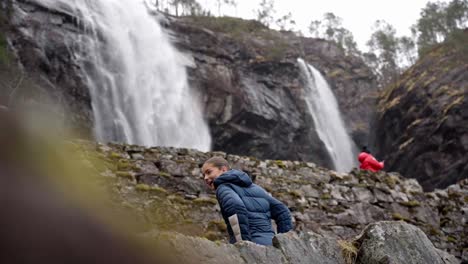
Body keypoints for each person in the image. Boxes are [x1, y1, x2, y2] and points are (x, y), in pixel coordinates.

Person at [202, 156, 293, 246]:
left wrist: (243, 244)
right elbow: (283, 211)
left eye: (209, 172)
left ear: (223, 170)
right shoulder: (257, 188)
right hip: (271, 246)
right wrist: (283, 244)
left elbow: (235, 207)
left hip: (254, 248)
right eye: (204, 175)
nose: (205, 178)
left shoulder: (223, 188)